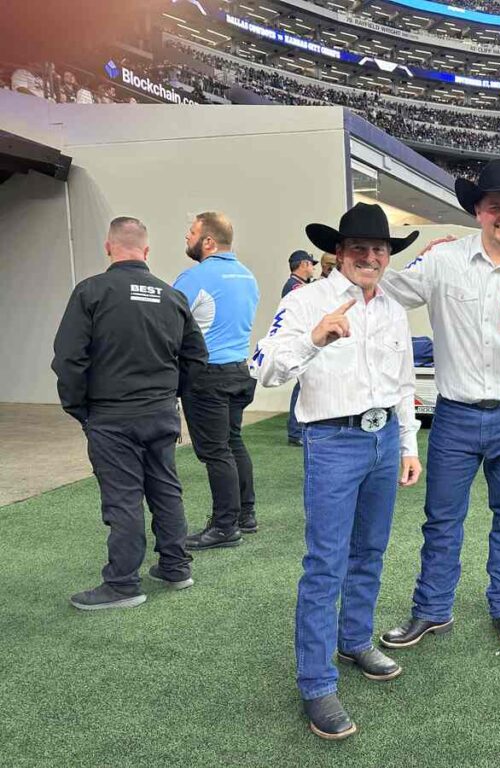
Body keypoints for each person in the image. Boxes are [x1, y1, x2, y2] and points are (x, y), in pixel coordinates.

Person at [379, 160, 500, 652]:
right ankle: (431, 609)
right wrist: (367, 260)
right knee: (442, 517)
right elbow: (388, 287)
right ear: (478, 212)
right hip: (457, 413)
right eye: (494, 208)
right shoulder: (442, 261)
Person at [251, 202, 422, 741]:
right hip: (331, 441)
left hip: (379, 443)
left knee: (370, 552)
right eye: (360, 249)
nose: (370, 257)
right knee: (325, 564)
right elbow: (262, 366)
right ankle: (316, 682)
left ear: (387, 256)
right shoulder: (306, 302)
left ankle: (355, 640)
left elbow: (400, 385)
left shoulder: (392, 308)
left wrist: (407, 445)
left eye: (379, 249)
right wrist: (314, 339)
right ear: (339, 253)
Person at [52, 217, 208, 610]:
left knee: (123, 499)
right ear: (147, 250)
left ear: (109, 247)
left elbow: (69, 359)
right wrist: (171, 397)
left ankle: (122, 584)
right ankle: (175, 568)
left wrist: (79, 408)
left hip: (111, 415)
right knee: (165, 489)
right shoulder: (172, 297)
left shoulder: (91, 292)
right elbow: (196, 359)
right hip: (159, 412)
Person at [173, 212, 260, 549]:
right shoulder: (247, 276)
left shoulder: (194, 277)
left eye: (191, 232)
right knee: (232, 441)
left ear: (208, 241)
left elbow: (169, 322)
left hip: (207, 376)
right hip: (239, 371)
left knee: (215, 452)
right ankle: (245, 514)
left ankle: (225, 526)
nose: (186, 237)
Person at [282, 250, 317, 446]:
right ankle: (295, 431)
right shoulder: (295, 287)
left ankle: (298, 429)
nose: (313, 268)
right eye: (311, 264)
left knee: (304, 383)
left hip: (303, 340)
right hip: (300, 341)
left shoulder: (300, 286)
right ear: (303, 264)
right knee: (302, 383)